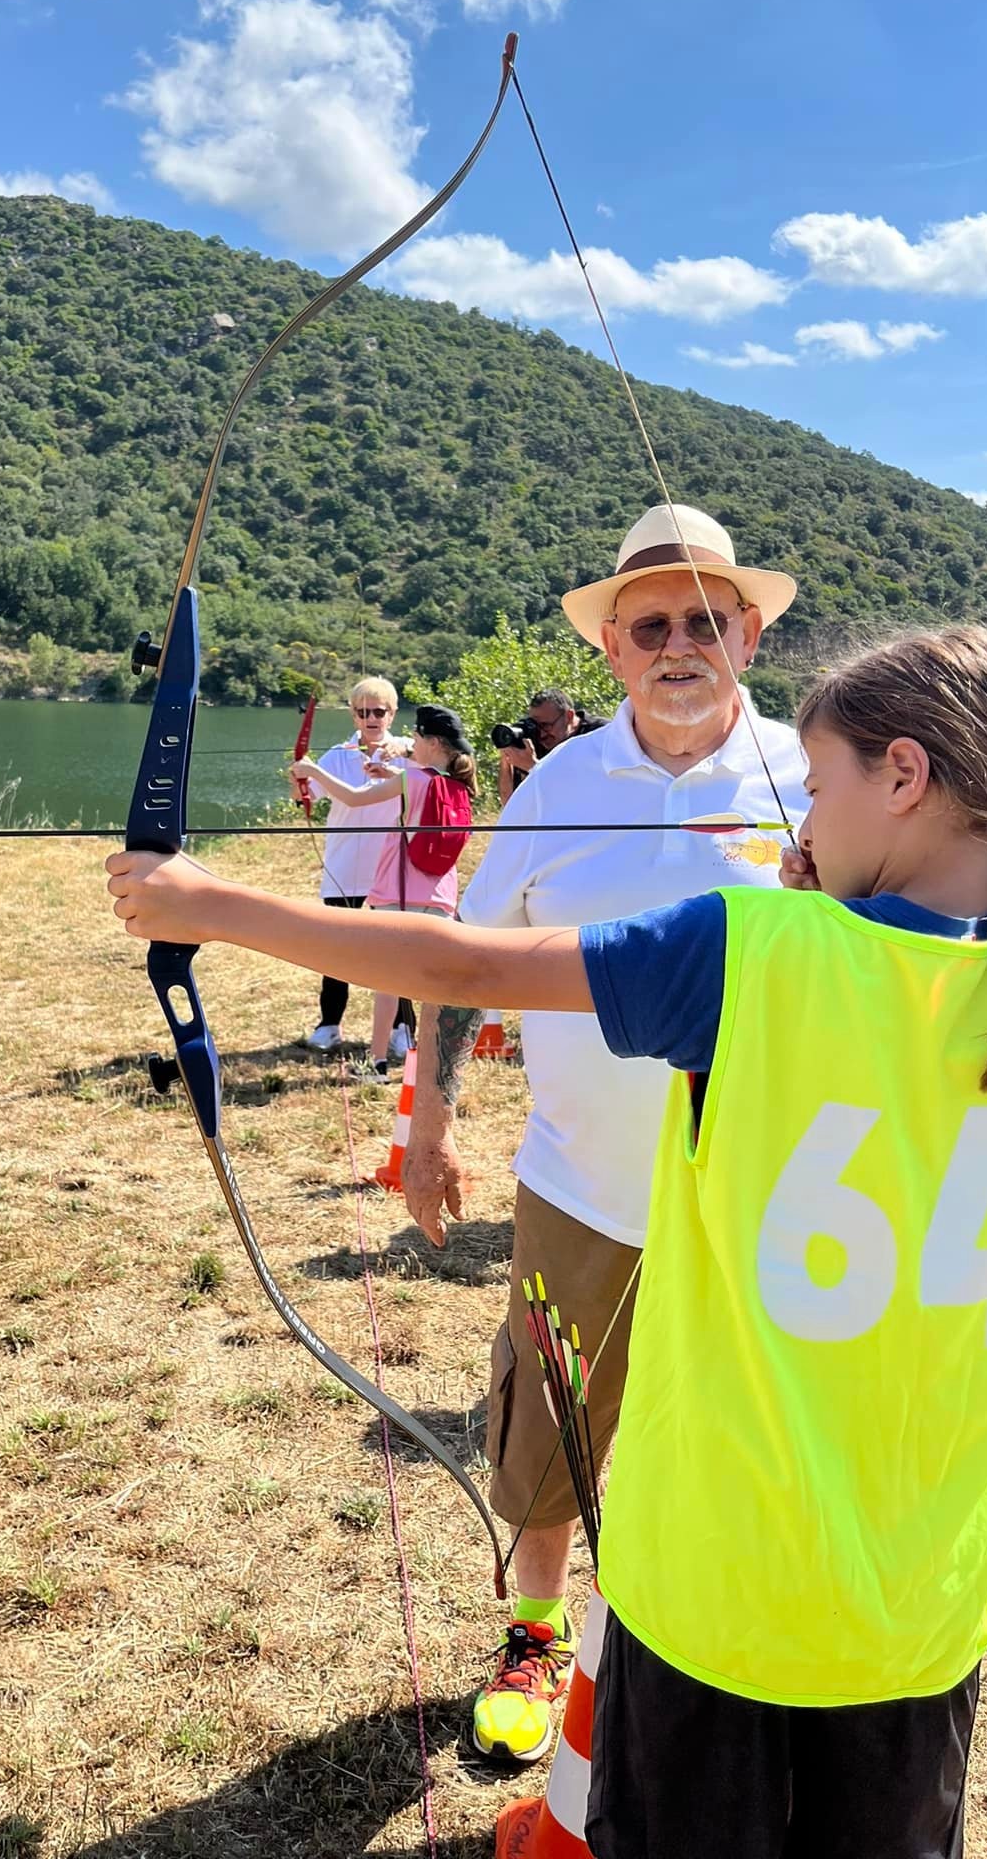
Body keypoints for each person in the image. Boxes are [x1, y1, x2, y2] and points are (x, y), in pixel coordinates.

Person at [108, 624, 987, 1859]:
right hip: (921, 1606)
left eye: (821, 778)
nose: (801, 809)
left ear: (905, 775)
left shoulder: (751, 946)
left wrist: (203, 902)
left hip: (714, 1594)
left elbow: (452, 957)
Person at [408, 505, 808, 1765]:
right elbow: (457, 964)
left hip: (771, 1192)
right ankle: (534, 1630)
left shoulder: (823, 771)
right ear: (613, 651)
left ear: (747, 634)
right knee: (552, 1420)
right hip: (582, 1182)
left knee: (748, 1434)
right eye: (653, 624)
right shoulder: (557, 785)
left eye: (706, 620)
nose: (681, 642)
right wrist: (430, 1122)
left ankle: (712, 1650)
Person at [293, 703, 476, 1081]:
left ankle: (376, 1063)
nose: (412, 742)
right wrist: (390, 771)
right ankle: (435, 1062)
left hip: (400, 891)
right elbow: (422, 785)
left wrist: (312, 771)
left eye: (417, 736)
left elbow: (355, 798)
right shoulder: (459, 784)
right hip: (440, 892)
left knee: (388, 980)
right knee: (434, 980)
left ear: (431, 741)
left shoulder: (412, 779)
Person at [292, 676, 417, 1058]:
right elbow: (305, 796)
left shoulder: (409, 752)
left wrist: (404, 757)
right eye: (363, 712)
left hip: (391, 865)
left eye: (379, 711)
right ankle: (330, 1023)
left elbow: (437, 779)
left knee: (397, 948)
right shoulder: (336, 755)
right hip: (344, 865)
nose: (371, 718)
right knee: (338, 948)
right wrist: (299, 776)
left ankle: (402, 1028)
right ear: (354, 714)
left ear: (393, 713)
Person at [496, 688, 605, 804]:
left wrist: (533, 767)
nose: (542, 734)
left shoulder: (600, 735)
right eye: (536, 726)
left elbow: (589, 793)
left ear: (569, 716)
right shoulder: (533, 739)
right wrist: (506, 760)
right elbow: (509, 802)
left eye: (546, 725)